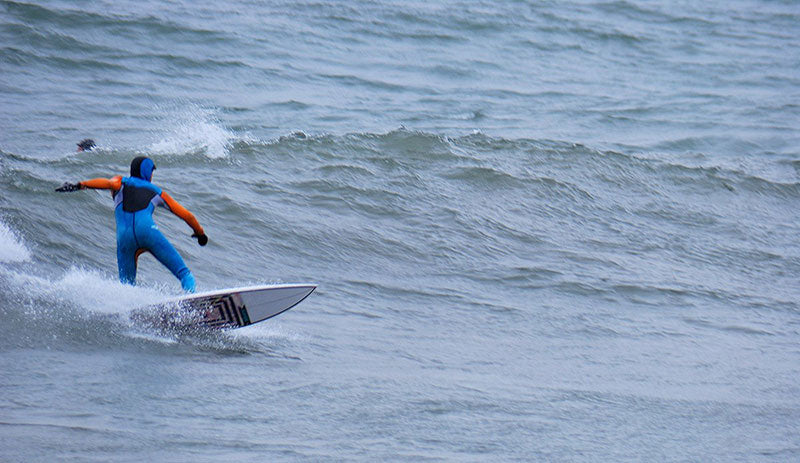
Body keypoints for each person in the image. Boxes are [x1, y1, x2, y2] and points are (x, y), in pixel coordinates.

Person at [56, 156, 207, 292]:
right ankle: (192, 303)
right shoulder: (157, 192)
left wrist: (80, 185)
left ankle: (130, 311)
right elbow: (188, 215)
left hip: (124, 238)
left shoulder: (121, 182)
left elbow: (108, 183)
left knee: (127, 288)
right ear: (148, 172)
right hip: (148, 232)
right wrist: (200, 233)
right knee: (184, 274)